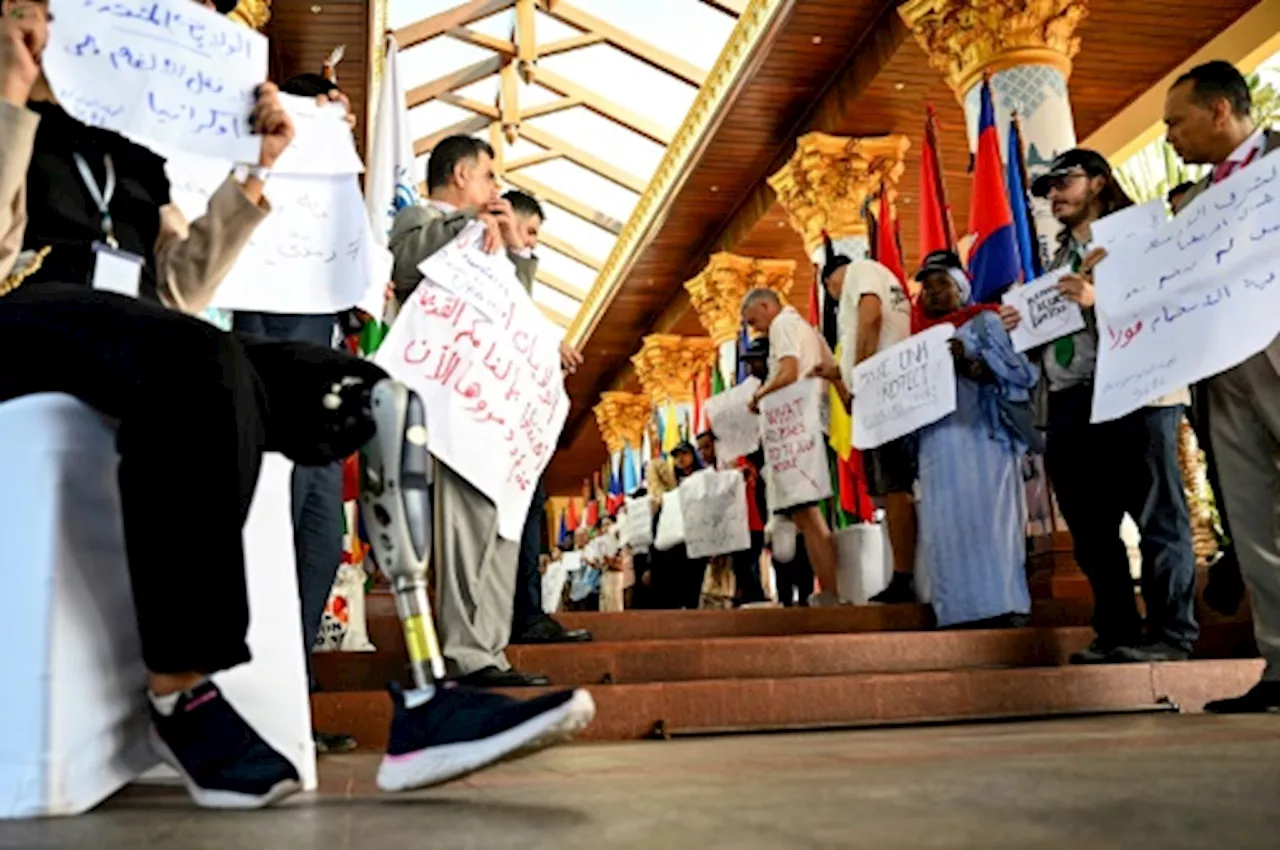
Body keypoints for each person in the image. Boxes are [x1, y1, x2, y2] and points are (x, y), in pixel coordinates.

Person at [0, 0, 593, 808]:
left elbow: (182, 284)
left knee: (376, 397)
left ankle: (426, 690)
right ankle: (183, 690)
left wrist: (258, 171)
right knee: (202, 360)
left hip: (147, 329)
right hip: (29, 315)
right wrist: (10, 88)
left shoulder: (131, 156)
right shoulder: (11, 114)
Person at [1002, 148, 1199, 664]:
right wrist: (1021, 324)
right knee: (1091, 528)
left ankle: (1172, 635)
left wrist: (1098, 301)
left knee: (1157, 515)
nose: (1053, 195)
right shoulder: (1059, 255)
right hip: (1070, 399)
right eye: (1047, 189)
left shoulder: (1138, 235)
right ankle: (1115, 631)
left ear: (1098, 182)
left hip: (1137, 389)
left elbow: (1168, 300)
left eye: (1063, 182)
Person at [388, 137, 557, 687]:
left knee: (500, 527)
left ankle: (492, 648)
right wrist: (467, 220)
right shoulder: (417, 217)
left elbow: (514, 310)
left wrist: (516, 249)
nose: (494, 188)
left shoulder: (487, 234)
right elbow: (405, 262)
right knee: (462, 533)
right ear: (461, 175)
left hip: (495, 402)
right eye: (488, 176)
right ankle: (464, 654)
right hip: (450, 404)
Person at [230, 70, 359, 756]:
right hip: (273, 414)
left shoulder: (338, 212)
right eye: (330, 117)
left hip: (323, 423)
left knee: (318, 552)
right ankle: (258, 710)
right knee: (270, 557)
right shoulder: (257, 200)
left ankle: (296, 707)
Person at [1160, 60, 1280, 712]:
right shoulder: (1193, 206)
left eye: (1176, 122)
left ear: (1219, 111)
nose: (1170, 139)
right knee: (1254, 522)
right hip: (1223, 378)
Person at [882, 252, 1037, 628]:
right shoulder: (915, 347)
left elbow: (1021, 377)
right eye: (927, 287)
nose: (934, 293)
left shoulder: (986, 324)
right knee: (945, 529)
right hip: (936, 448)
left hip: (984, 443)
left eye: (942, 285)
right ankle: (956, 613)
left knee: (991, 525)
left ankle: (1005, 606)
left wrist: (969, 364)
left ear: (961, 289)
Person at [503, 189, 591, 646]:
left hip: (519, 426)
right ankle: (512, 615)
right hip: (489, 422)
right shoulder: (476, 264)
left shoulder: (510, 275)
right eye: (530, 231)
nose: (533, 244)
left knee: (530, 510)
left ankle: (527, 612)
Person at [819, 233, 918, 604]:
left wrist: (859, 372)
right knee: (889, 490)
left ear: (832, 280)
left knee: (896, 488)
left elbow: (872, 316)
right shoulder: (867, 282)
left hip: (886, 392)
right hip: (878, 398)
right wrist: (840, 379)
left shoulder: (861, 271)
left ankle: (903, 577)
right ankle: (900, 573)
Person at [741, 288, 842, 605]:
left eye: (754, 320)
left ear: (766, 305)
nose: (755, 329)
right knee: (808, 517)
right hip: (817, 426)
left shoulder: (783, 325)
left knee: (807, 516)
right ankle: (830, 589)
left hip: (798, 432)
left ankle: (831, 591)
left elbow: (787, 371)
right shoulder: (808, 329)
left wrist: (760, 396)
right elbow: (832, 368)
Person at [696, 428, 767, 605]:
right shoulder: (711, 473)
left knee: (746, 570)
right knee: (742, 572)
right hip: (733, 529)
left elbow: (749, 475)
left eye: (707, 447)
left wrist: (739, 474)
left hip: (751, 525)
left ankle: (759, 609)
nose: (704, 453)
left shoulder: (737, 461)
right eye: (700, 449)